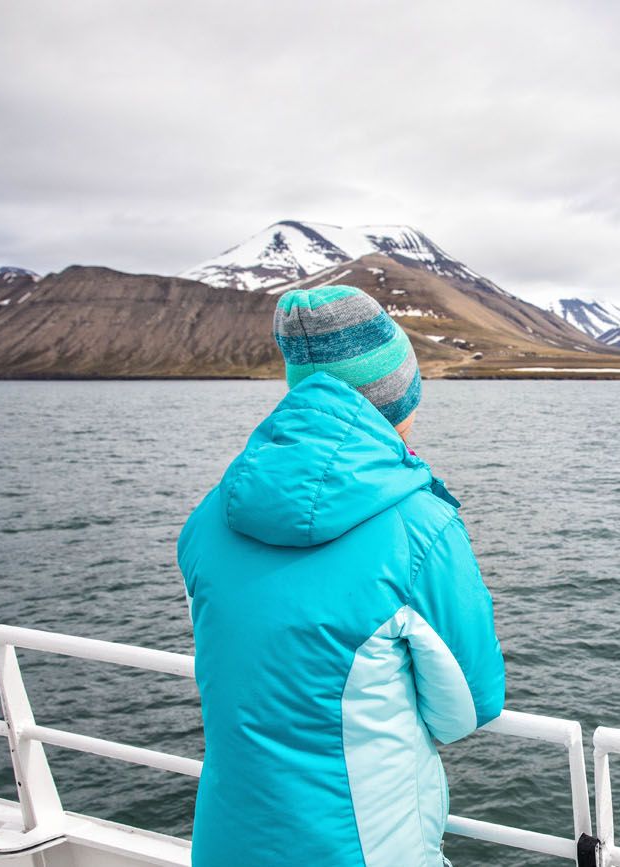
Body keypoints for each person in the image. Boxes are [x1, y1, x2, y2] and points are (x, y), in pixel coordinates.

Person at [177, 285, 504, 866]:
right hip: (364, 848)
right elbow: (466, 710)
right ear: (398, 394)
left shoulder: (209, 516)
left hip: (228, 842)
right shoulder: (421, 527)